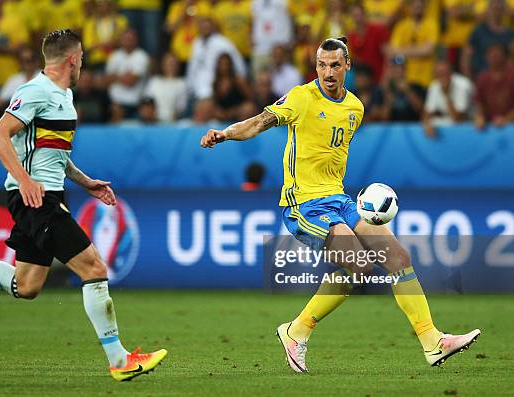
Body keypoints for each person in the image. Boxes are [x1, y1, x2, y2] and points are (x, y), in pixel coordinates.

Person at [200, 36, 480, 373]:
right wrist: (225, 134)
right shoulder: (302, 97)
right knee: (360, 266)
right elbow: (258, 122)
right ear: (314, 66)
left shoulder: (355, 108)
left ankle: (431, 341)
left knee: (398, 258)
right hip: (304, 205)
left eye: (335, 65)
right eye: (321, 64)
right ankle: (297, 330)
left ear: (347, 66)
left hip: (340, 200)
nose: (327, 72)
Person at [0, 29, 167, 382]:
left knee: (26, 286)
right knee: (93, 267)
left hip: (47, 194)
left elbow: (54, 154)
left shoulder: (64, 96)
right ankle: (119, 360)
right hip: (35, 198)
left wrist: (85, 181)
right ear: (73, 59)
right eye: (82, 59)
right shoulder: (34, 91)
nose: (83, 66)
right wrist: (25, 179)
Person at [386, 0, 439, 88]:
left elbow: (429, 50)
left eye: (420, 7)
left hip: (426, 79)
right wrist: (420, 49)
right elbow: (392, 51)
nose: (417, 10)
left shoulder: (432, 24)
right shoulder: (401, 26)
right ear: (409, 7)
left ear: (425, 8)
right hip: (406, 78)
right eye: (415, 7)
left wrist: (403, 50)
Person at [104, 28, 150, 120]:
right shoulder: (114, 55)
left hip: (135, 104)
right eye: (126, 38)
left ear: (136, 40)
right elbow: (105, 80)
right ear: (121, 40)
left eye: (131, 39)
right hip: (115, 103)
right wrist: (124, 76)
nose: (128, 41)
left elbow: (131, 81)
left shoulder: (142, 56)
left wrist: (115, 76)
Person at [422, 60, 474, 138]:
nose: (442, 76)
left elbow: (458, 119)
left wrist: (447, 94)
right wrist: (427, 124)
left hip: (470, 123)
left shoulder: (463, 85)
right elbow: (427, 113)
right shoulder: (434, 85)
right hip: (450, 120)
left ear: (451, 73)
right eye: (438, 74)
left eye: (444, 73)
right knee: (432, 123)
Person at [474, 43, 514, 128]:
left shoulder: (512, 75)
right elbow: (480, 104)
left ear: (505, 56)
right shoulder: (482, 78)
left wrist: (506, 119)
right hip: (491, 127)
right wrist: (480, 117)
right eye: (491, 54)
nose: (493, 57)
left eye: (497, 54)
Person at [144, 52, 187, 122]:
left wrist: (170, 122)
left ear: (178, 65)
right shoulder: (154, 81)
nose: (170, 65)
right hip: (152, 122)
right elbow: (147, 103)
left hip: (170, 122)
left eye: (173, 63)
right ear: (163, 64)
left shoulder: (182, 83)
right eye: (168, 63)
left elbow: (180, 107)